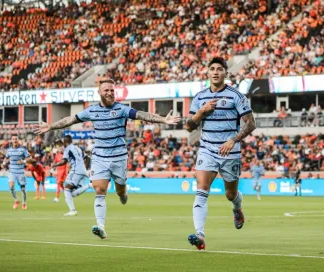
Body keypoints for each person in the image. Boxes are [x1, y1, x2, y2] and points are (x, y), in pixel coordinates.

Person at [34, 78, 180, 239]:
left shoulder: (122, 109)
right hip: (100, 157)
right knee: (99, 190)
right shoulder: (91, 110)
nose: (110, 93)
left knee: (120, 191)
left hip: (119, 157)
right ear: (99, 93)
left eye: (112, 90)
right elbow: (71, 119)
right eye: (106, 90)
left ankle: (123, 194)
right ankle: (101, 226)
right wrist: (51, 126)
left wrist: (162, 119)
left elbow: (141, 115)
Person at [184, 57, 256, 250]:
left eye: (219, 69)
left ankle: (237, 207)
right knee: (201, 190)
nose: (215, 72)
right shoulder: (199, 97)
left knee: (230, 193)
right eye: (212, 68)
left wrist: (233, 140)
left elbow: (251, 123)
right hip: (207, 149)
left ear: (225, 73)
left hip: (229, 151)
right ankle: (200, 235)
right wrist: (201, 113)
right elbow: (189, 127)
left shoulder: (236, 96)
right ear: (207, 72)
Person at [51, 135, 91, 216]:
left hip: (76, 170)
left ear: (66, 142)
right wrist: (85, 169)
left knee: (66, 189)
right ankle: (88, 185)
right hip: (83, 171)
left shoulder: (68, 149)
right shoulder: (77, 148)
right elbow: (88, 158)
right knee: (71, 193)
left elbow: (64, 161)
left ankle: (72, 210)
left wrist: (54, 165)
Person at [2, 135, 31, 210]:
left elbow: (29, 158)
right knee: (11, 187)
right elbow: (6, 158)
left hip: (20, 172)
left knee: (23, 189)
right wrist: (3, 163)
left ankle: (24, 203)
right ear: (11, 140)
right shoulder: (9, 150)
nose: (14, 140)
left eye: (16, 139)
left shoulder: (23, 149)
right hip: (12, 171)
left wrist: (23, 161)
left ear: (18, 140)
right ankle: (16, 200)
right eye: (13, 139)